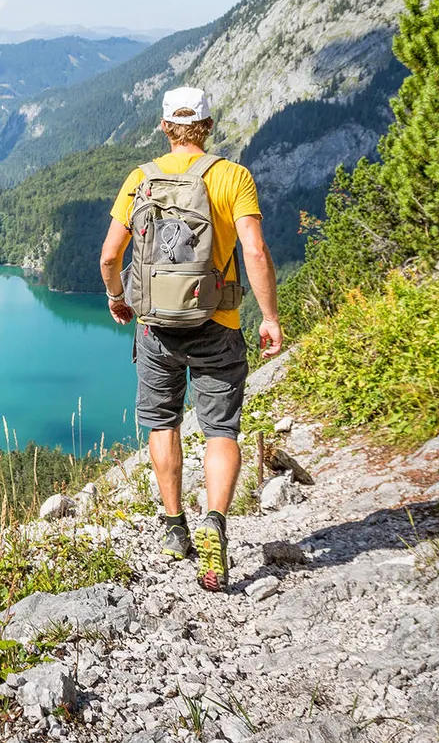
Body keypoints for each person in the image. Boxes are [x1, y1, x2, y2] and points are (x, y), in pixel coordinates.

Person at [98, 85, 283, 592]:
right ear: (207, 126)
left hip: (156, 326)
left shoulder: (140, 179)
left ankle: (174, 525)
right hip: (216, 324)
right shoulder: (231, 177)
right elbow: (256, 251)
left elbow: (110, 257)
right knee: (221, 430)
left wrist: (119, 297)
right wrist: (268, 316)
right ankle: (214, 523)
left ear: (164, 127)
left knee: (163, 422)